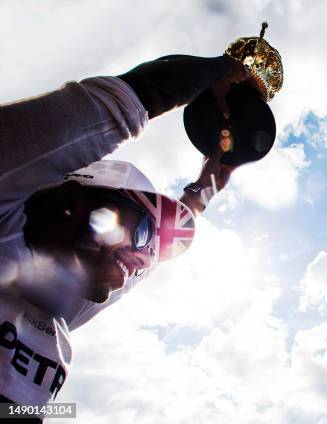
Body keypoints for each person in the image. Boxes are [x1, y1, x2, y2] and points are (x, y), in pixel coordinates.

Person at [0, 53, 266, 422]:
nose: (145, 257)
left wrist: (207, 184)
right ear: (76, 204)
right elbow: (132, 98)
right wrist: (225, 68)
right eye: (142, 233)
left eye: (150, 249)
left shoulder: (62, 307)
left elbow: (176, 231)